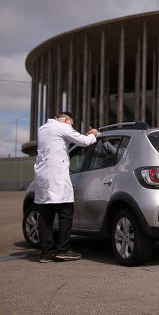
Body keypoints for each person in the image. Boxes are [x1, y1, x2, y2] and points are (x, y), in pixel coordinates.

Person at [33, 111, 98, 262]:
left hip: (43, 177)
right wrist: (94, 134)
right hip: (57, 177)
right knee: (65, 214)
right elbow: (84, 142)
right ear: (68, 120)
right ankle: (63, 250)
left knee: (45, 217)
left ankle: (46, 253)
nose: (72, 127)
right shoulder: (62, 127)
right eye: (72, 124)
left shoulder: (43, 129)